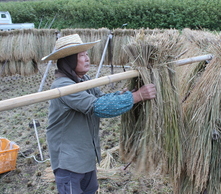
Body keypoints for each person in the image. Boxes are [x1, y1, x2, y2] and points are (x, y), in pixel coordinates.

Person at [41, 34, 156, 194]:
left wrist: (124, 95)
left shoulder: (83, 81)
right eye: (81, 56)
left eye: (86, 54)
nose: (87, 58)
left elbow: (101, 98)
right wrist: (137, 97)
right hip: (69, 162)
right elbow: (98, 107)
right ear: (69, 60)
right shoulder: (63, 87)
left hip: (86, 157)